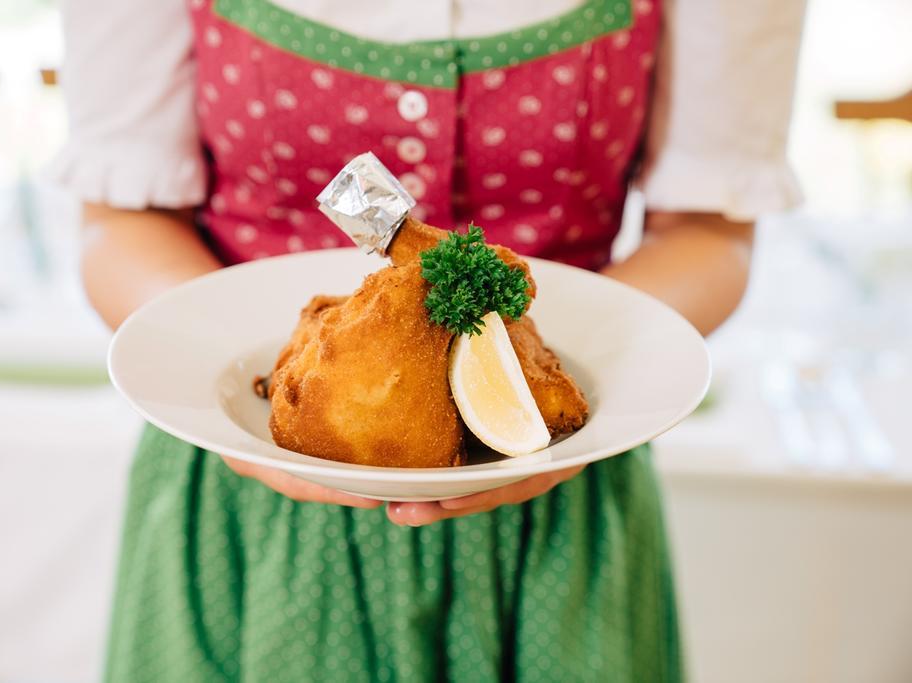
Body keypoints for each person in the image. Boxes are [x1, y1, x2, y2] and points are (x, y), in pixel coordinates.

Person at [51, 0, 804, 679]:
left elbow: (711, 233)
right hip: (241, 510)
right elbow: (119, 222)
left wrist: (584, 377)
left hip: (559, 503)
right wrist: (202, 374)